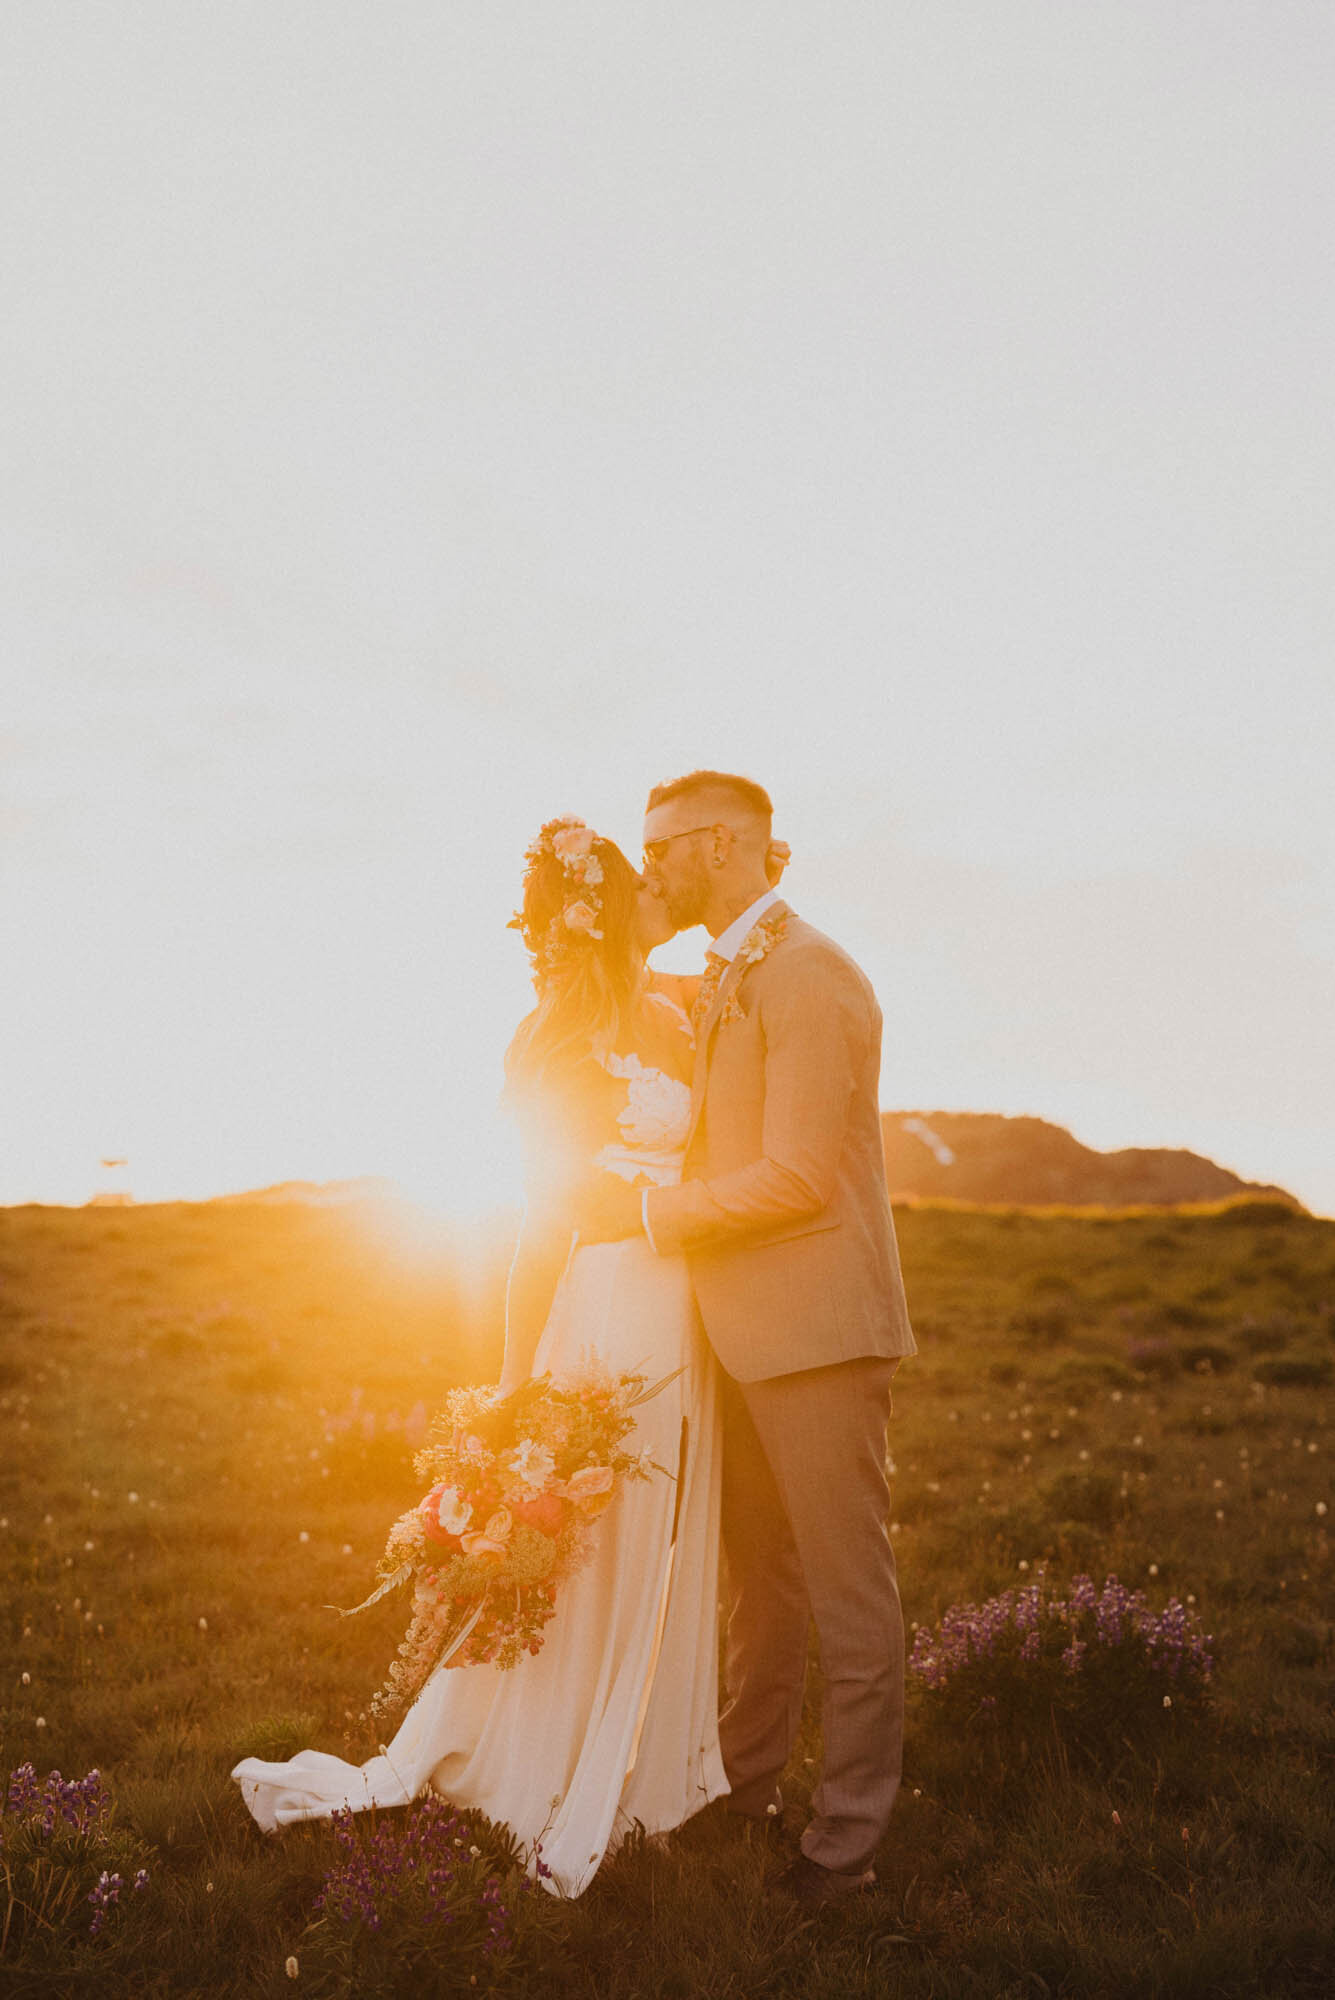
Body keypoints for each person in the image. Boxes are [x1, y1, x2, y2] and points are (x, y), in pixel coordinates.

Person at [232, 819, 727, 1897]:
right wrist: (513, 1378)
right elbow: (539, 1219)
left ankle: (633, 1749)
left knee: (653, 1531)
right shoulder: (556, 1036)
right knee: (592, 1536)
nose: (659, 892)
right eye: (640, 884)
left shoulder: (680, 1004)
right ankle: (546, 1757)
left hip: (681, 1300)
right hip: (607, 1302)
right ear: (596, 917)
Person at [578, 770, 915, 1910]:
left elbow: (798, 1175)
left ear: (723, 845)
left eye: (660, 848)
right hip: (737, 1335)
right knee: (758, 1588)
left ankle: (846, 1844)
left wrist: (646, 1215)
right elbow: (614, 974)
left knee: (847, 1592)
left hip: (818, 1335)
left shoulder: (813, 974)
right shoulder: (725, 969)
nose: (648, 869)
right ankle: (746, 1781)